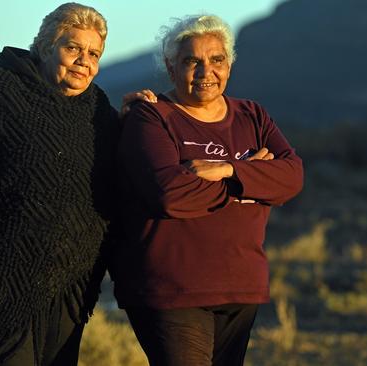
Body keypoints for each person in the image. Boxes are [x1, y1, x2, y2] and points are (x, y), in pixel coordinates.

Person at [0, 3, 155, 365]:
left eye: (94, 54)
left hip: (74, 278)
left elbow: (116, 169)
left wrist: (136, 120)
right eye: (73, 48)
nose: (84, 61)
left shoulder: (97, 107)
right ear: (46, 46)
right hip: (5, 273)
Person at [111, 14, 304, 366]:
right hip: (172, 288)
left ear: (229, 64)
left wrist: (229, 170)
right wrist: (254, 179)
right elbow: (170, 195)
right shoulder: (153, 117)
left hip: (240, 285)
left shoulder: (252, 116)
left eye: (216, 60)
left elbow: (292, 176)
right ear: (171, 68)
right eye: (192, 61)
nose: (206, 72)